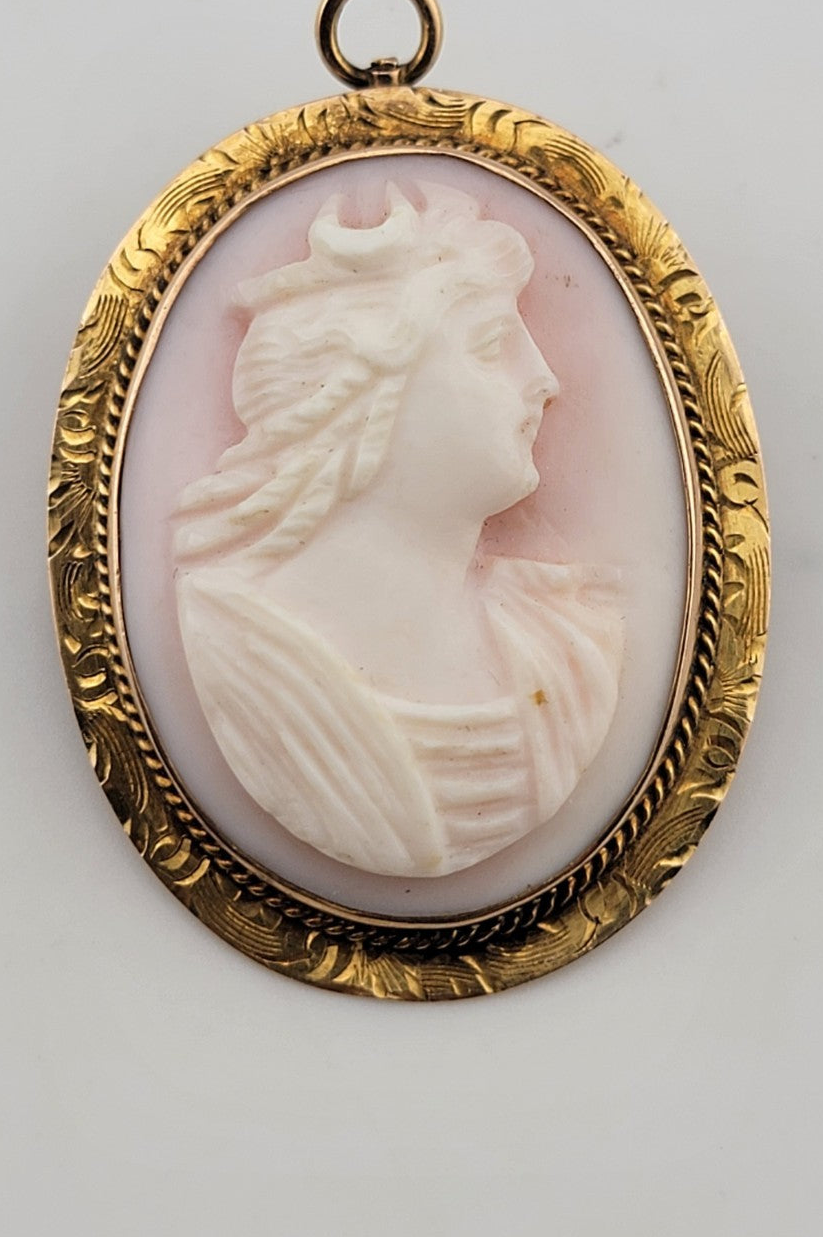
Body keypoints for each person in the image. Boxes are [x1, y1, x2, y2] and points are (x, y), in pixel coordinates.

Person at [174, 179, 622, 877]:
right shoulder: (232, 654)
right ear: (355, 400)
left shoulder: (570, 647)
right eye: (491, 344)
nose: (544, 380)